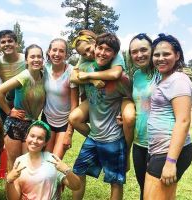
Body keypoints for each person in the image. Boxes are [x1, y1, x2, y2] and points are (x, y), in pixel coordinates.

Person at [71, 33, 131, 200]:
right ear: (96, 46)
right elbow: (74, 77)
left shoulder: (120, 77)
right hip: (93, 137)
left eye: (108, 50)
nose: (101, 53)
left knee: (115, 181)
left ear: (114, 54)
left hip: (113, 138)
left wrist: (126, 111)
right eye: (100, 48)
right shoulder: (87, 67)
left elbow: (131, 97)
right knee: (78, 172)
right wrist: (89, 79)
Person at [144, 34, 192, 200]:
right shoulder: (165, 79)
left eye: (166, 54)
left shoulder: (178, 80)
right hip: (161, 150)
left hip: (168, 153)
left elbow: (184, 121)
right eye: (156, 55)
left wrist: (171, 162)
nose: (160, 58)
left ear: (177, 55)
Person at [0, 44, 45, 171]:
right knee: (14, 163)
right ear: (26, 60)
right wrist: (9, 112)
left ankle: (22, 191)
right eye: (32, 57)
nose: (36, 59)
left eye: (39, 56)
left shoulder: (43, 77)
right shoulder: (24, 76)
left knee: (27, 162)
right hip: (15, 125)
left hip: (32, 124)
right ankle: (11, 190)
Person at [6, 120, 80, 200]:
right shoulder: (19, 161)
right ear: (26, 137)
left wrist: (67, 170)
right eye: (32, 136)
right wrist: (9, 181)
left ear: (45, 143)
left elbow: (76, 186)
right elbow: (13, 198)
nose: (34, 141)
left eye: (40, 138)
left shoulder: (52, 161)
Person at [128, 33, 160, 199]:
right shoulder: (136, 75)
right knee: (143, 189)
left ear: (152, 49)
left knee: (156, 192)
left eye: (143, 50)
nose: (139, 55)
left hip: (160, 144)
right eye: (134, 52)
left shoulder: (162, 73)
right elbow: (137, 102)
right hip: (139, 142)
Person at [42, 38, 79, 159]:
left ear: (66, 54)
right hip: (47, 119)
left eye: (61, 51)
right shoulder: (44, 69)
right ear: (48, 52)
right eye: (54, 50)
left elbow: (75, 105)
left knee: (55, 162)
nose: (57, 54)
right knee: (45, 159)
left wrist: (69, 132)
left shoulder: (71, 72)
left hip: (65, 122)